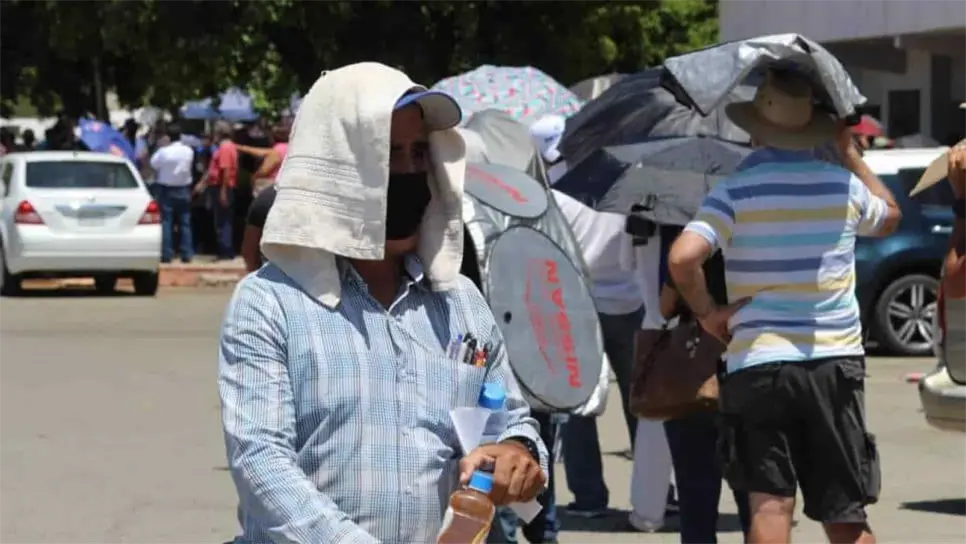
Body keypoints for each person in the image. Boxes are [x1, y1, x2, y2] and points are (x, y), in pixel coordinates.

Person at [218, 62, 548, 544]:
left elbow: (509, 418)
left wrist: (517, 451)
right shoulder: (271, 303)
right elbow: (261, 461)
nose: (410, 171)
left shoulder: (459, 300)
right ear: (335, 165)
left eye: (419, 153)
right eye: (389, 153)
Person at [668, 69, 901, 544]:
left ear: (756, 128)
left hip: (758, 362)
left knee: (770, 507)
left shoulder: (735, 190)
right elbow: (891, 217)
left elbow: (682, 258)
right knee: (844, 513)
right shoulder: (843, 186)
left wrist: (708, 313)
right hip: (833, 361)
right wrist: (850, 155)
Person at [149, 123, 195, 263]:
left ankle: (167, 254)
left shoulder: (163, 152)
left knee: (166, 222)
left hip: (166, 189)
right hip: (183, 188)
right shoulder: (188, 151)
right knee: (185, 223)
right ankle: (186, 253)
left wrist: (161, 145)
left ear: (167, 136)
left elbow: (153, 164)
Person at [205, 121, 238, 261]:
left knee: (222, 220)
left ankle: (225, 251)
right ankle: (226, 249)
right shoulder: (229, 146)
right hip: (222, 186)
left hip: (221, 186)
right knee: (224, 219)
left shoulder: (225, 147)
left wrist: (223, 191)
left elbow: (225, 170)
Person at [235, 122, 290, 195]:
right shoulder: (289, 148)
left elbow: (264, 171)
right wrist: (239, 147)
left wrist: (254, 177)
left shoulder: (276, 151)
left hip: (270, 185)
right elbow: (260, 152)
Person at [241, 184, 275, 271]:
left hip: (271, 270)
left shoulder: (265, 197)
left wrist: (255, 274)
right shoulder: (266, 198)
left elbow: (249, 251)